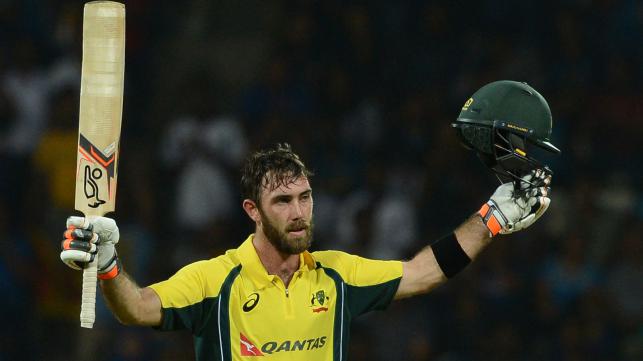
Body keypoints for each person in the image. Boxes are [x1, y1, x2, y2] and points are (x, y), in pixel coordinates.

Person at [60, 80, 559, 361]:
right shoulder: (215, 281)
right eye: (282, 202)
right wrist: (108, 266)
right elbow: (137, 308)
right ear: (252, 212)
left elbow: (422, 273)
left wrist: (492, 218)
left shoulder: (335, 274)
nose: (299, 213)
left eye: (305, 197)